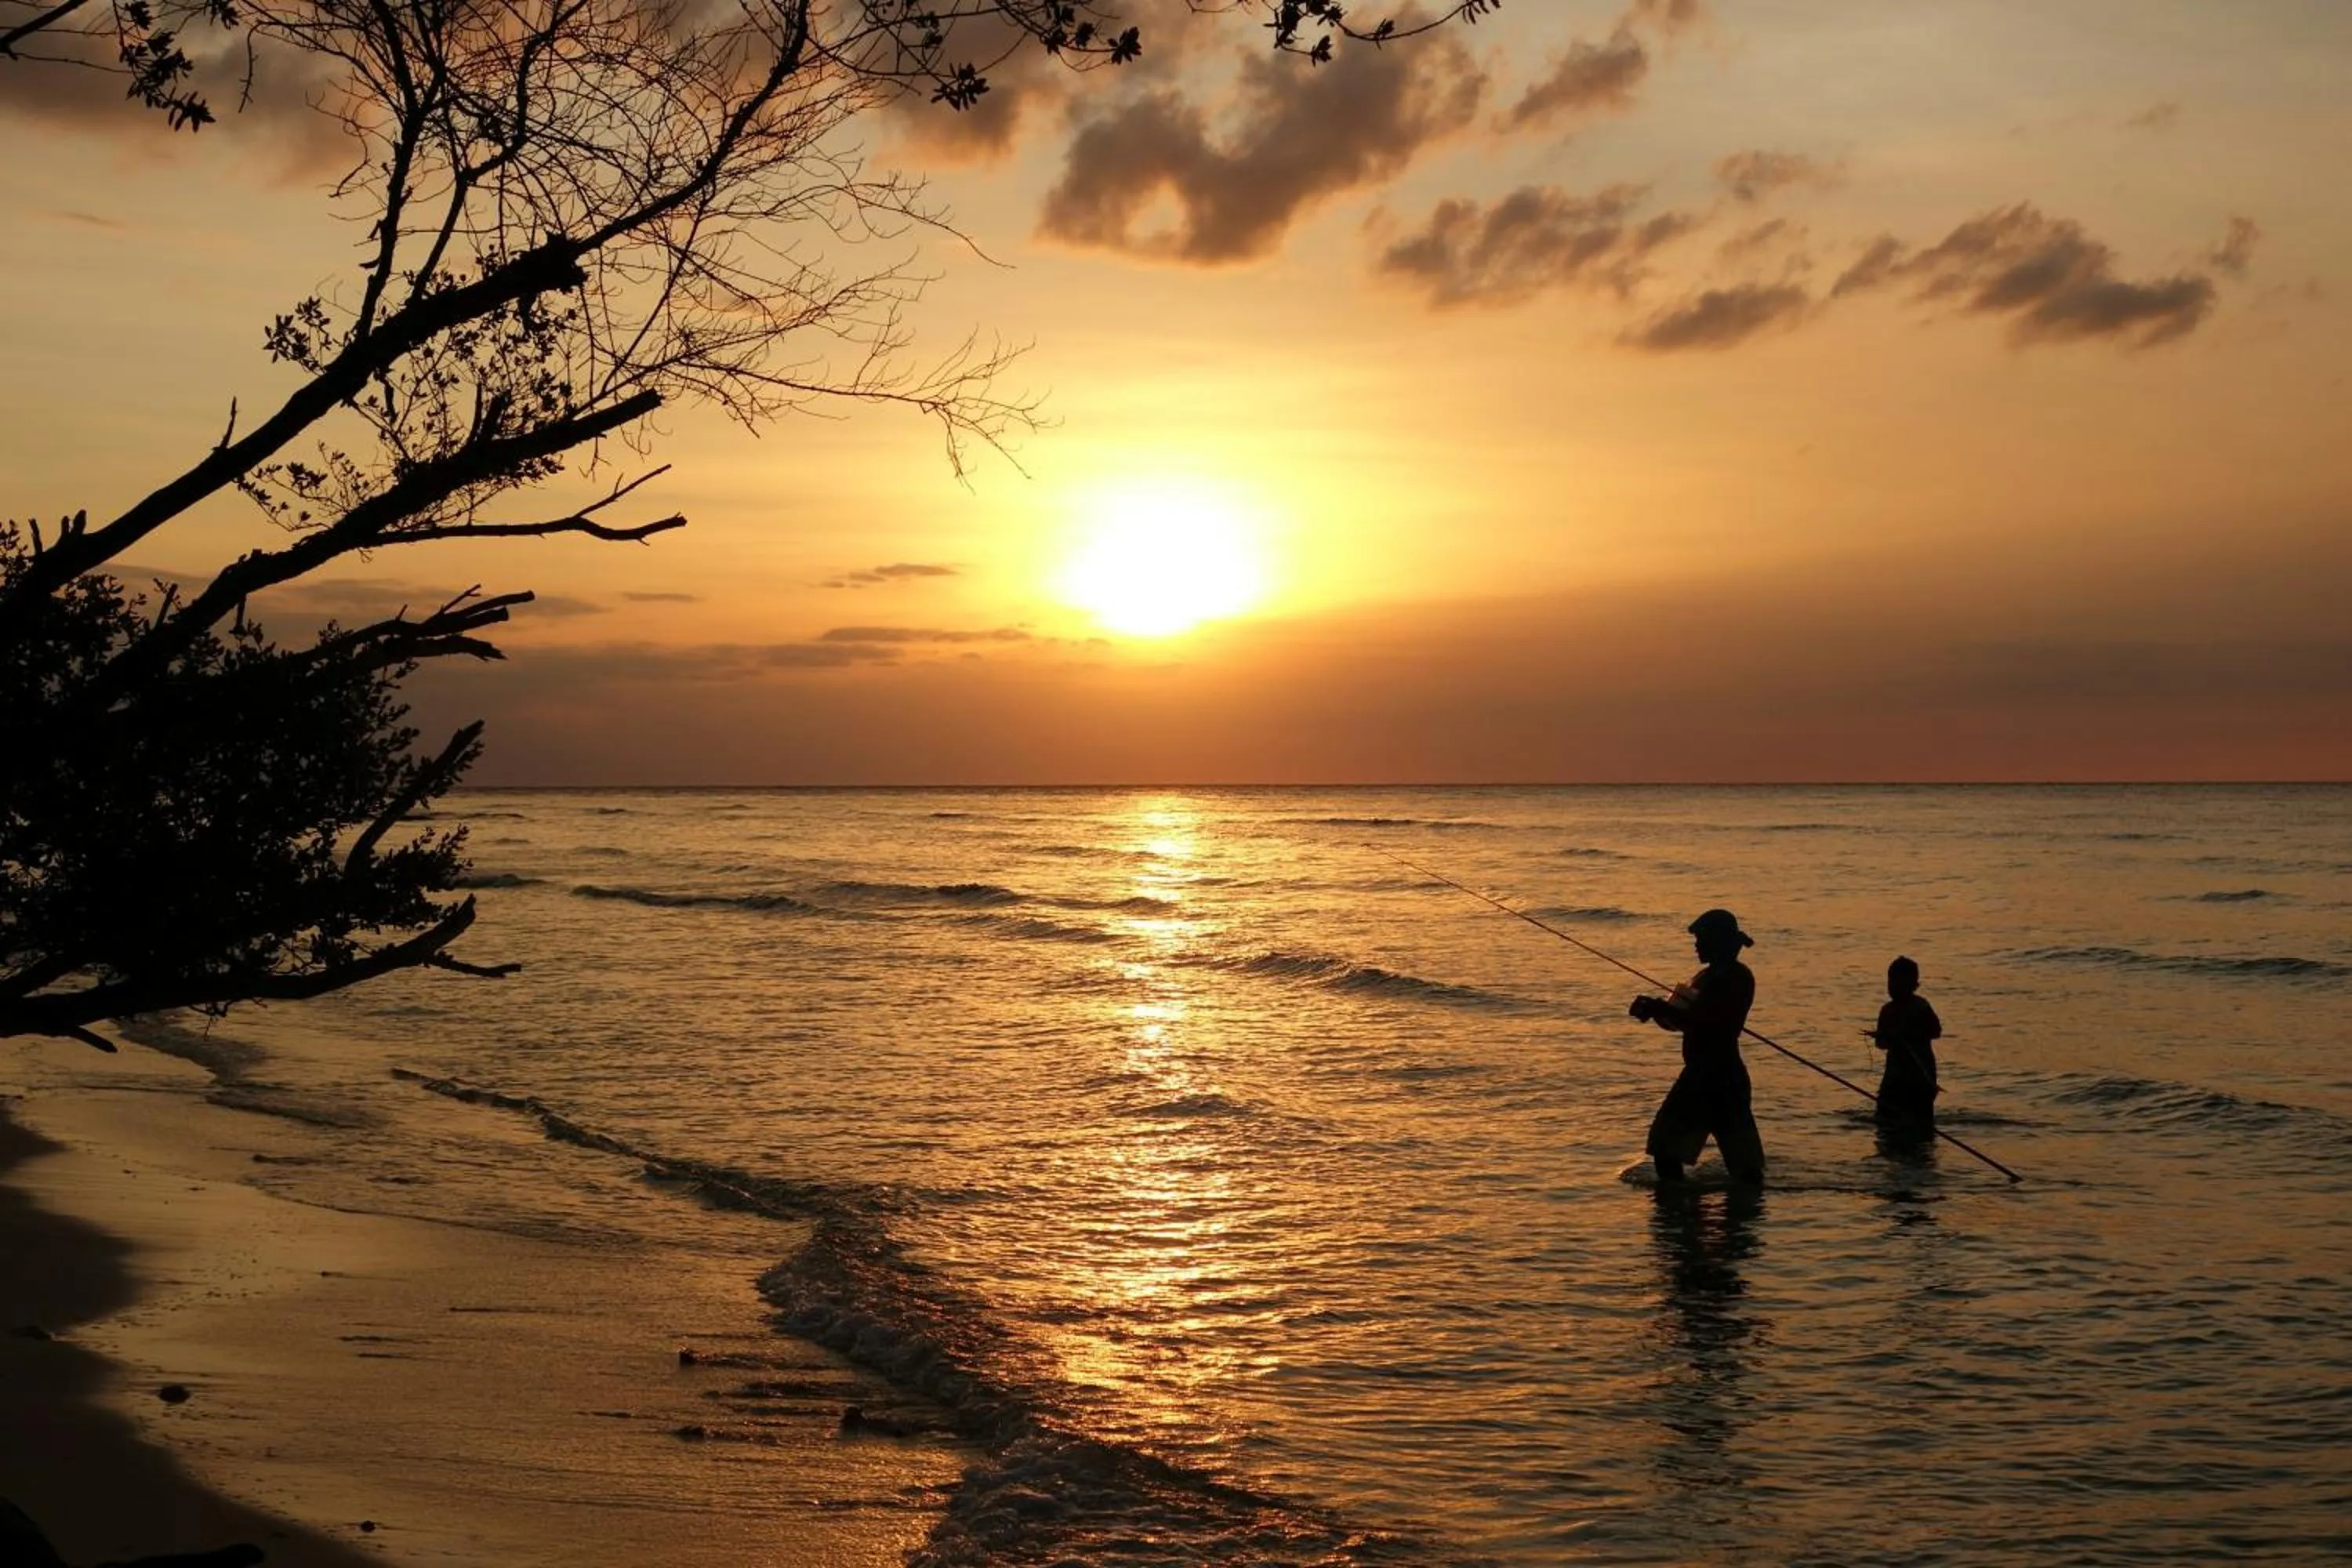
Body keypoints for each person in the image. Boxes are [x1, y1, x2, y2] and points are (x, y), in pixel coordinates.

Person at [1631, 909, 1764, 1185]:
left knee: (1739, 1166)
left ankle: (1687, 1213)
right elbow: (1680, 1020)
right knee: (1668, 1150)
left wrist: (1660, 1007)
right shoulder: (1705, 977)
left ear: (1718, 941)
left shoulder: (1737, 978)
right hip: (1704, 1075)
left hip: (1717, 1076)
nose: (1696, 945)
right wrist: (1655, 1010)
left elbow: (1706, 1021)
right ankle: (1691, 1213)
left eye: (1702, 939)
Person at [1867, 956, 1944, 1139]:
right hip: (1894, 1077)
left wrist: (1907, 1034)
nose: (1892, 987)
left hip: (1920, 1076)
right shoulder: (1887, 1010)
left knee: (1921, 1125)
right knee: (1885, 1122)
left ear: (1913, 984)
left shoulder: (1920, 1006)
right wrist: (1886, 1037)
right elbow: (1881, 1044)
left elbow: (1936, 1031)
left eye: (1898, 982)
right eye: (1890, 981)